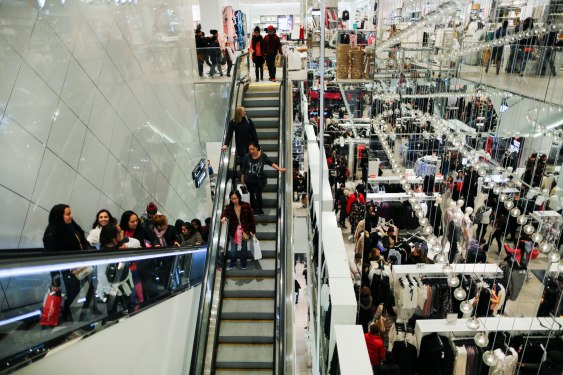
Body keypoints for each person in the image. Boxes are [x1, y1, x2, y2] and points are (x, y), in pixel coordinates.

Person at [43, 204, 95, 322]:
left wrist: (90, 250)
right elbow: (51, 259)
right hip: (69, 270)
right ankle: (72, 322)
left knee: (88, 292)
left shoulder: (72, 226)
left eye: (70, 213)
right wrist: (55, 280)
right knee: (74, 296)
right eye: (67, 214)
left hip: (83, 266)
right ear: (59, 216)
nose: (71, 216)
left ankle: (81, 319)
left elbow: (83, 242)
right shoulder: (52, 233)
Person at [241, 142, 286, 215]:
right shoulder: (247, 156)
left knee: (258, 195)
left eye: (253, 149)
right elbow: (244, 168)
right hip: (249, 179)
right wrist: (242, 177)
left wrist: (279, 169)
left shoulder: (262, 155)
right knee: (251, 194)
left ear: (257, 148)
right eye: (250, 149)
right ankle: (253, 209)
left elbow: (270, 163)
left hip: (259, 180)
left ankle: (260, 209)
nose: (251, 151)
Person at [220, 190, 256, 270]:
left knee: (244, 248)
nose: (234, 200)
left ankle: (243, 263)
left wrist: (253, 231)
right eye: (232, 199)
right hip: (234, 231)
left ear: (239, 197)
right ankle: (233, 262)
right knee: (233, 249)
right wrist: (224, 217)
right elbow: (225, 214)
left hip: (245, 230)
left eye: (235, 198)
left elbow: (251, 219)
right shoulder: (229, 207)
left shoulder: (246, 206)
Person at [222, 106, 259, 173]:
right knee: (243, 161)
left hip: (250, 144)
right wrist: (226, 144)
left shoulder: (248, 120)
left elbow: (254, 132)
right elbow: (229, 134)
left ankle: (251, 174)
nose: (245, 112)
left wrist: (256, 144)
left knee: (251, 160)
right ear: (239, 113)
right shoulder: (233, 122)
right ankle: (243, 176)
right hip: (240, 145)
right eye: (243, 111)